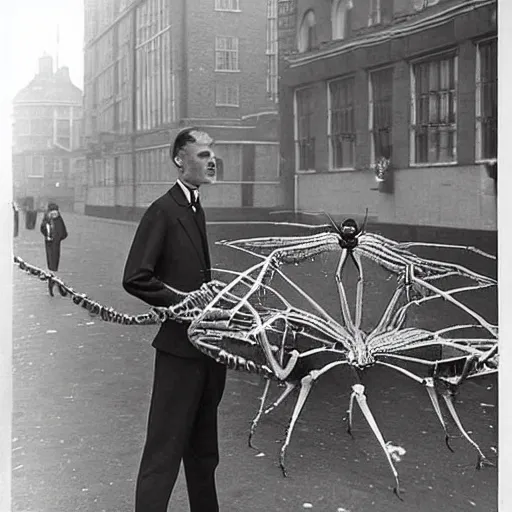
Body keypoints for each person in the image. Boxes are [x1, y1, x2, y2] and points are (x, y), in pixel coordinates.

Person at [123, 127, 226, 512]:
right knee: (163, 454)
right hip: (178, 355)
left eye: (212, 153)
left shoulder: (195, 207)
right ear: (180, 160)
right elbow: (135, 276)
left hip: (205, 350)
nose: (211, 160)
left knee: (203, 454)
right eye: (202, 155)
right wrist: (183, 302)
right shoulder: (163, 210)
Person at [40, 203, 67, 271]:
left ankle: (52, 267)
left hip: (52, 239)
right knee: (52, 253)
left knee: (52, 253)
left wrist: (58, 237)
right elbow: (42, 228)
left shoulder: (53, 219)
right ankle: (52, 267)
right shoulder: (53, 218)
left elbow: (63, 231)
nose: (54, 214)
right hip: (52, 239)